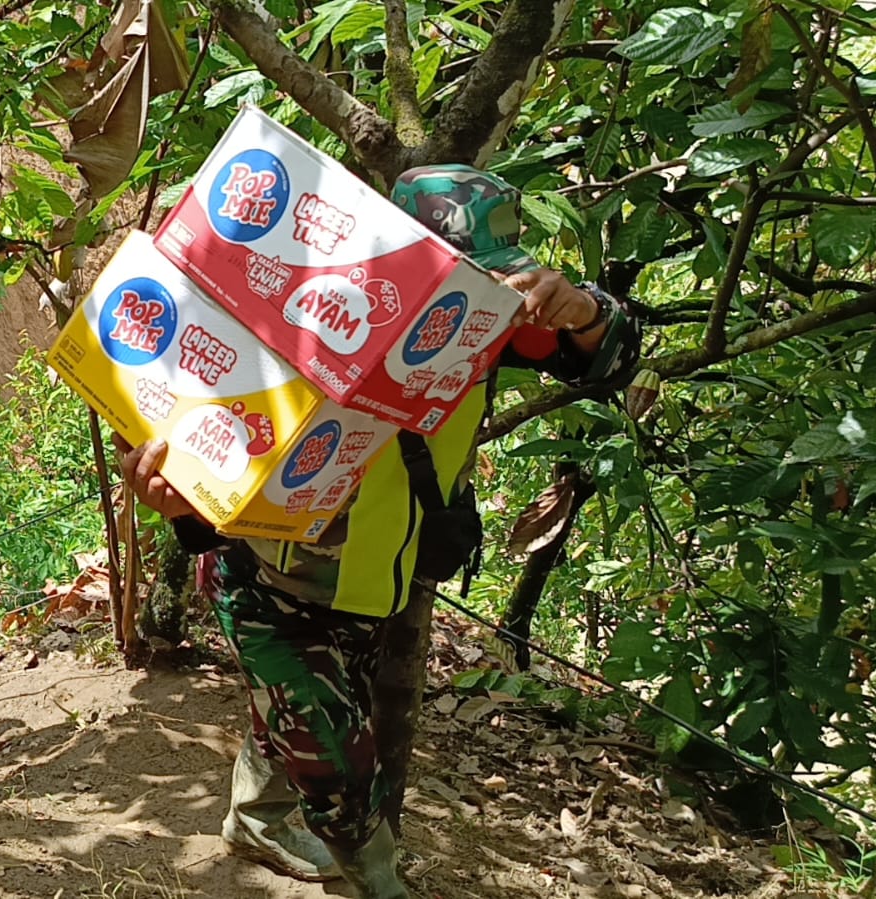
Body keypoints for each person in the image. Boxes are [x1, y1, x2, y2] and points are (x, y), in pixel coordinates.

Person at [117, 164, 641, 898]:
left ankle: (257, 816)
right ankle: (377, 881)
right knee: (335, 757)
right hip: (263, 576)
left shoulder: (489, 322)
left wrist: (582, 307)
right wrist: (180, 510)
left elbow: (606, 359)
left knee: (301, 714)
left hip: (378, 574)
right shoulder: (300, 309)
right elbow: (204, 454)